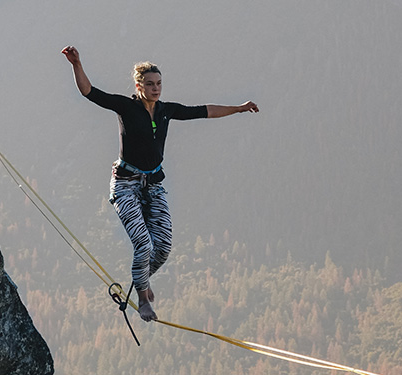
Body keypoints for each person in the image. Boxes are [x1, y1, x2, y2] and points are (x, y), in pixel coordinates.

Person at [62, 45, 259, 322]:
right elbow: (90, 92)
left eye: (159, 84)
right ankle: (143, 299)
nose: (156, 89)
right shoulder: (127, 107)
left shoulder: (166, 110)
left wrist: (238, 109)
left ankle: (141, 280)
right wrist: (76, 64)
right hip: (126, 184)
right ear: (138, 86)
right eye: (150, 84)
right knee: (143, 243)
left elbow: (205, 111)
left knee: (163, 247)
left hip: (153, 184)